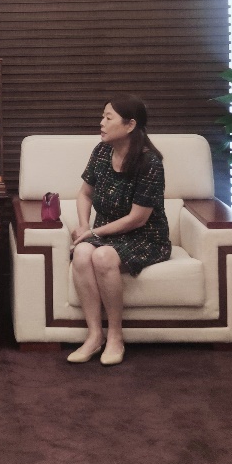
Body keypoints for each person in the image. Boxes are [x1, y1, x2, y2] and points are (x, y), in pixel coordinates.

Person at [66, 95, 172, 367]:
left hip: (145, 236)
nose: (101, 123)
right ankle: (94, 335)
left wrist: (94, 233)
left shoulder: (150, 163)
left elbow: (137, 219)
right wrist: (83, 225)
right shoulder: (102, 151)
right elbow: (85, 193)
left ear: (130, 125)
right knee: (81, 254)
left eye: (108, 117)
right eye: (102, 116)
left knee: (102, 257)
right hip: (106, 233)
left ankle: (115, 336)